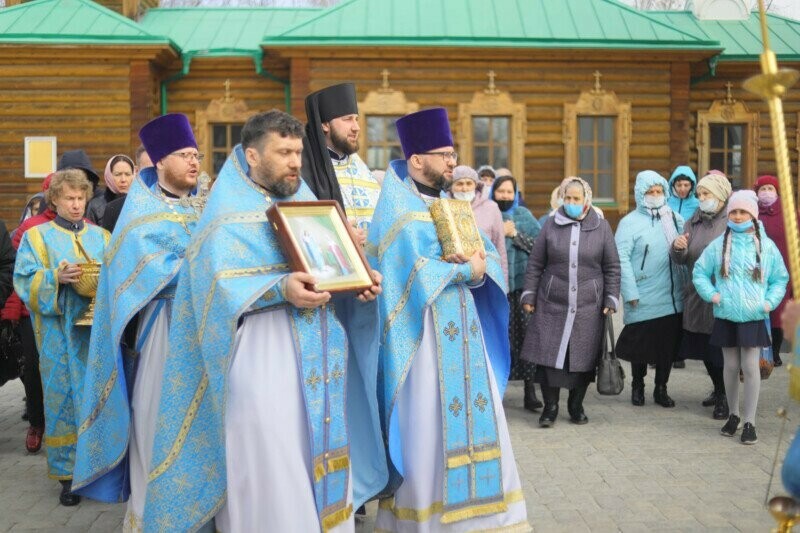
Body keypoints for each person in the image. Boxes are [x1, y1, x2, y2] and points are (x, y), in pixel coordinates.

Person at [144, 110, 387, 532]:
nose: (296, 161)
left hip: (320, 357)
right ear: (252, 156)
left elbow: (333, 266)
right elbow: (215, 286)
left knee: (321, 453)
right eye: (284, 152)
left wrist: (361, 283)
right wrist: (280, 288)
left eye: (297, 151)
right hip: (262, 355)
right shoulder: (224, 218)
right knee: (273, 461)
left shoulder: (307, 204)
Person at [368, 107, 529, 531]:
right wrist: (461, 269)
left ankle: (488, 518)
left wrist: (478, 265)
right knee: (428, 427)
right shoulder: (397, 211)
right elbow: (406, 275)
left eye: (453, 153)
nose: (453, 162)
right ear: (417, 160)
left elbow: (487, 257)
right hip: (423, 342)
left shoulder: (452, 205)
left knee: (483, 419)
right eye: (444, 154)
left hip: (465, 334)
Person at [72, 114, 201, 528]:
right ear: (160, 161)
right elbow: (140, 270)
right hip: (162, 329)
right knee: (155, 422)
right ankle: (151, 515)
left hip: (205, 329)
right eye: (184, 155)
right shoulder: (139, 212)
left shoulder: (207, 206)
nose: (194, 163)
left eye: (196, 155)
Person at [13, 169, 110, 506]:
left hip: (95, 336)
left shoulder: (102, 237)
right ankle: (67, 476)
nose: (76, 204)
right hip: (57, 336)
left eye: (81, 198)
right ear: (54, 200)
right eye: (69, 198)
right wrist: (55, 277)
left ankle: (99, 467)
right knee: (62, 402)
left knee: (97, 398)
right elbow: (24, 280)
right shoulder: (37, 237)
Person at [521, 177, 620, 427]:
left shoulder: (601, 226)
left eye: (576, 199)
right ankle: (550, 408)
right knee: (550, 357)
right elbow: (535, 264)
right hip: (552, 302)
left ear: (586, 200)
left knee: (582, 359)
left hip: (589, 305)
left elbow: (612, 267)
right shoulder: (551, 224)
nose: (572, 203)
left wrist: (610, 297)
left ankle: (575, 405)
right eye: (568, 198)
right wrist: (529, 294)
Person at [693, 190, 788, 445]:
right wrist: (713, 295)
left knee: (750, 366)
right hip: (726, 313)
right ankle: (733, 415)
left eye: (743, 211)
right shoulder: (719, 245)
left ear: (753, 215)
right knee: (731, 366)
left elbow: (780, 278)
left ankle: (750, 421)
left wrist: (768, 302)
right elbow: (700, 272)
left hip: (754, 314)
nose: (737, 216)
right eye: (734, 212)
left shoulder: (766, 246)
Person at [615, 171, 685, 407]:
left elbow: (683, 252)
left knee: (666, 347)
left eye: (659, 191)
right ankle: (638, 386)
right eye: (650, 192)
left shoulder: (673, 218)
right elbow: (621, 259)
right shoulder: (629, 223)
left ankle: (661, 388)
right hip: (643, 294)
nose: (655, 196)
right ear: (640, 194)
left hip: (670, 295)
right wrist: (630, 292)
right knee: (640, 347)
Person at [670, 172, 732, 419]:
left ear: (719, 195)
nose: (701, 199)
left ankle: (727, 397)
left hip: (724, 295)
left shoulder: (731, 219)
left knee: (721, 350)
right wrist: (677, 249)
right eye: (699, 195)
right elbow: (682, 259)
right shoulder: (693, 221)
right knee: (704, 348)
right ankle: (718, 388)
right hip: (698, 294)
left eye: (705, 194)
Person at [2, 174, 56, 454]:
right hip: (30, 314)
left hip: (67, 313)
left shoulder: (88, 229)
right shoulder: (29, 228)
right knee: (33, 371)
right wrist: (11, 313)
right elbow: (15, 271)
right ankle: (36, 422)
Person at [301, 82, 381, 239]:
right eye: (348, 119)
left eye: (356, 119)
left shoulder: (359, 165)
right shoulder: (306, 168)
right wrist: (340, 236)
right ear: (325, 125)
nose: (356, 127)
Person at [490, 175, 542, 410]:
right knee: (500, 341)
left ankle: (530, 391)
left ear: (516, 193)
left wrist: (514, 235)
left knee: (527, 340)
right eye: (500, 191)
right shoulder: (488, 215)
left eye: (509, 192)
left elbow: (540, 248)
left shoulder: (524, 216)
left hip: (522, 290)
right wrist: (499, 231)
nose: (504, 196)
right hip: (497, 288)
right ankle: (497, 392)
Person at [754, 174, 794, 367]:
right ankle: (759, 351)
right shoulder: (751, 211)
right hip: (757, 269)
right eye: (763, 189)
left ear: (777, 193)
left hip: (782, 268)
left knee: (778, 312)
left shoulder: (789, 213)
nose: (766, 193)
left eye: (770, 189)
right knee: (760, 310)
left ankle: (775, 352)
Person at [449, 165, 508, 282]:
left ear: (476, 185)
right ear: (451, 187)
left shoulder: (491, 208)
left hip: (487, 275)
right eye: (459, 184)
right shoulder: (444, 207)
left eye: (468, 183)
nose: (464, 188)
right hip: (455, 276)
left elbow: (500, 247)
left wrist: (503, 284)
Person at [102, 145, 152, 233]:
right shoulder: (114, 208)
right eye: (147, 170)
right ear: (137, 171)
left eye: (156, 169)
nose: (123, 180)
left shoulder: (178, 204)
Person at [85, 154, 134, 226]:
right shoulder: (96, 206)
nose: (123, 180)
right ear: (109, 176)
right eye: (117, 174)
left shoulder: (140, 203)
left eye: (127, 174)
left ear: (133, 175)